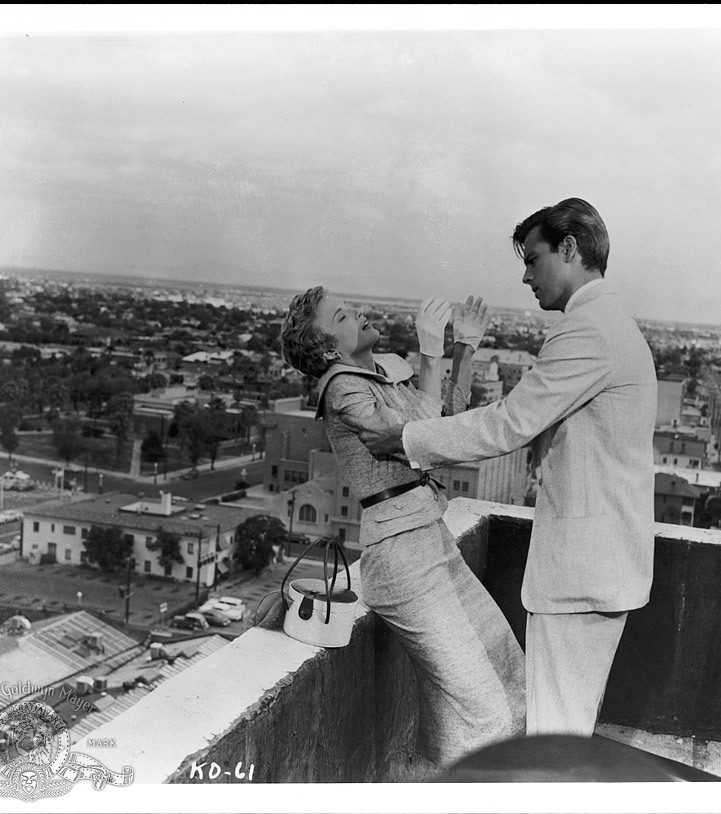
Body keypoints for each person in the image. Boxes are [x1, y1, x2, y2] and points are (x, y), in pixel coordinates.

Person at [342, 198, 658, 737]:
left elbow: (508, 423)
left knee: (554, 738)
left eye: (534, 260)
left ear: (570, 249)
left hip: (581, 574)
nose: (526, 276)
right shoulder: (611, 322)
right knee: (565, 730)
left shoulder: (586, 329)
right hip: (602, 567)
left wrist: (405, 437)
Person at [279, 287, 525, 767]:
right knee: (482, 705)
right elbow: (411, 439)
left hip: (429, 538)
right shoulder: (342, 388)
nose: (361, 313)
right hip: (400, 557)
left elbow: (447, 418)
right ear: (330, 349)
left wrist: (463, 348)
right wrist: (431, 353)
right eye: (345, 315)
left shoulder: (381, 376)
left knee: (507, 669)